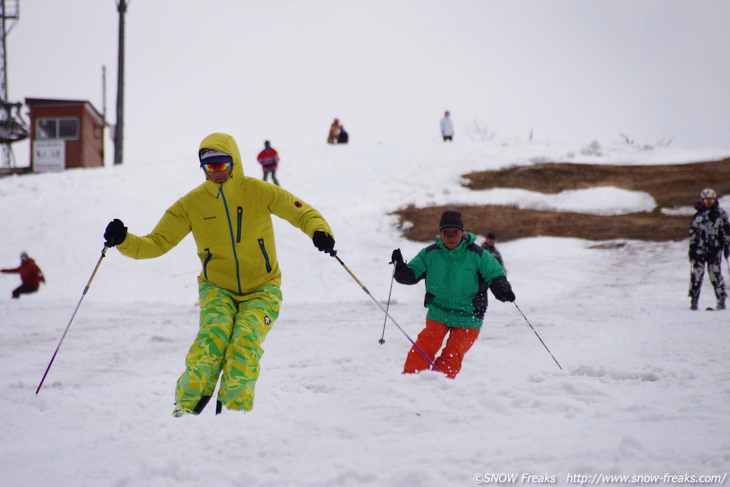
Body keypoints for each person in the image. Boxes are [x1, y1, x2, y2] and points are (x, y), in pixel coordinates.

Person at [103, 132, 336, 417]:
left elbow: (302, 212)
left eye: (222, 165)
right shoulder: (191, 205)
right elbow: (156, 243)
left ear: (234, 162)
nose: (217, 172)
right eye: (209, 167)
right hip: (217, 289)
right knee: (212, 339)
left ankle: (232, 415)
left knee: (244, 340)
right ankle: (186, 409)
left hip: (263, 288)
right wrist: (124, 240)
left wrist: (320, 231)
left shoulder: (259, 191)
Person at [390, 210, 515, 378]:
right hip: (439, 312)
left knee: (452, 355)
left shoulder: (477, 254)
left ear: (462, 233)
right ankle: (411, 382)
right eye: (445, 232)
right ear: (440, 234)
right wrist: (400, 269)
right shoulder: (429, 254)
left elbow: (495, 273)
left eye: (454, 232)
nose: (450, 236)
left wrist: (501, 287)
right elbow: (410, 275)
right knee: (423, 348)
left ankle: (439, 387)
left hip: (469, 316)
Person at [688, 188, 729, 310]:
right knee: (696, 275)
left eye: (711, 199)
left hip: (715, 250)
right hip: (700, 250)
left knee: (715, 276)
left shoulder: (721, 215)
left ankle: (721, 300)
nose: (709, 202)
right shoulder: (698, 216)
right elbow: (693, 234)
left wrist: (726, 247)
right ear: (703, 200)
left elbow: (726, 232)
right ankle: (694, 301)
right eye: (706, 199)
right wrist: (692, 249)